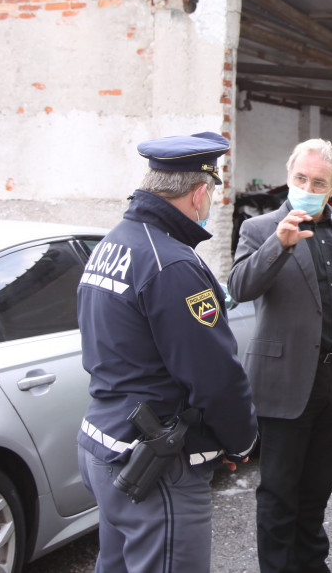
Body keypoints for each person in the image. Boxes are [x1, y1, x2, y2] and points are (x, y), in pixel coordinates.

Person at [77, 132, 258, 573]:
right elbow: (214, 376)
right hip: (157, 465)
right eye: (211, 193)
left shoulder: (112, 244)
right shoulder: (172, 263)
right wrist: (241, 439)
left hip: (106, 446)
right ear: (200, 193)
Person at [228, 138, 332, 573]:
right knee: (278, 491)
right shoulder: (260, 229)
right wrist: (280, 244)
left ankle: (311, 563)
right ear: (289, 177)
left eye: (319, 182)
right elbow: (239, 288)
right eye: (300, 178)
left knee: (317, 489)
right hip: (286, 380)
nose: (308, 186)